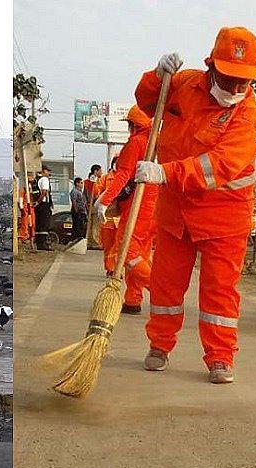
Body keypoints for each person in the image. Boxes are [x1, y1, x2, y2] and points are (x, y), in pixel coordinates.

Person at [132, 27, 256, 384]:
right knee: (165, 285)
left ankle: (220, 357)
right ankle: (159, 346)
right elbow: (146, 103)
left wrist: (165, 173)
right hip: (176, 212)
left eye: (243, 81)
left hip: (225, 217)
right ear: (211, 66)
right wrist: (156, 76)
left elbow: (217, 166)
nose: (235, 88)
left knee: (220, 291)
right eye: (229, 78)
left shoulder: (247, 116)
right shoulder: (185, 83)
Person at [94, 104, 157, 313]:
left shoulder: (137, 142)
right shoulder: (155, 142)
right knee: (141, 255)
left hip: (140, 205)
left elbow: (123, 175)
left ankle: (161, 292)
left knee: (127, 252)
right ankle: (132, 299)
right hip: (152, 205)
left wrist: (104, 201)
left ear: (133, 125)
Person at [34, 169, 54, 249]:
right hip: (43, 204)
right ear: (43, 171)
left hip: (39, 205)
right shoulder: (45, 179)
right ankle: (43, 244)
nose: (49, 173)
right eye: (47, 171)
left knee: (39, 224)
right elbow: (44, 192)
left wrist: (37, 203)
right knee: (44, 224)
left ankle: (39, 244)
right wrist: (38, 202)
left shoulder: (38, 180)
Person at [70, 177, 88, 243]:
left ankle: (80, 239)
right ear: (77, 183)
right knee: (77, 226)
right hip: (78, 211)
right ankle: (76, 239)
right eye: (81, 183)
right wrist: (76, 211)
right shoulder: (74, 191)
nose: (82, 184)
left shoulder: (80, 192)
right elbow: (74, 201)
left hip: (82, 212)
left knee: (81, 227)